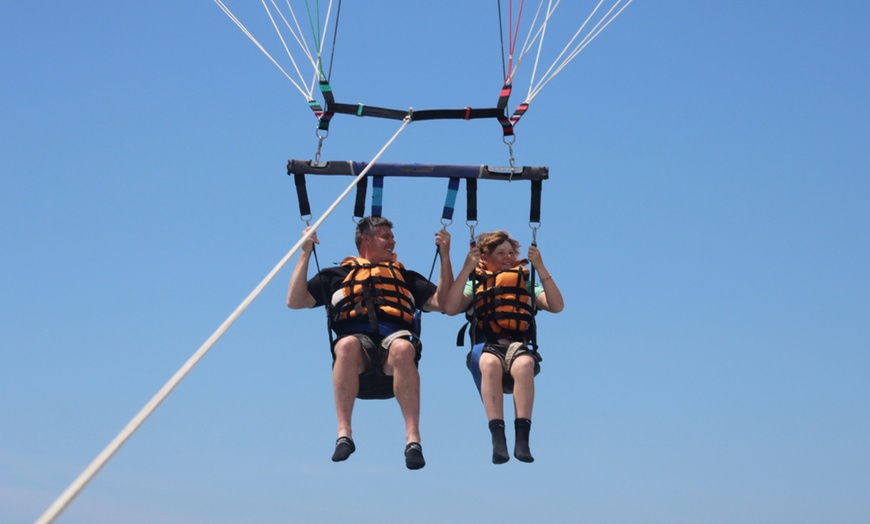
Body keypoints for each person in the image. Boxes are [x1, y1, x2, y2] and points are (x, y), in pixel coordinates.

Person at [287, 216, 453, 470]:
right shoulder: (336, 275)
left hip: (394, 352)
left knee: (403, 347)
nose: (393, 241)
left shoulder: (406, 277)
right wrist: (305, 252)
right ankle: (344, 434)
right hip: (356, 356)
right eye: (386, 236)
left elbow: (444, 304)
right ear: (367, 239)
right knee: (345, 345)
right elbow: (295, 300)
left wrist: (445, 256)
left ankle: (413, 440)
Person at [443, 230, 563, 464]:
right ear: (485, 258)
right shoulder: (476, 283)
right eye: (500, 253)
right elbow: (450, 307)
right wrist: (467, 269)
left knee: (526, 363)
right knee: (489, 363)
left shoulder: (526, 283)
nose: (508, 257)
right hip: (487, 347)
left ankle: (522, 440)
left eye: (511, 252)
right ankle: (498, 439)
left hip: (518, 346)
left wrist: (541, 267)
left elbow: (556, 305)